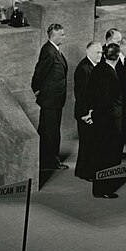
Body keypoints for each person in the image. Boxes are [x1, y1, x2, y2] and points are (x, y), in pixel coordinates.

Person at [86, 43, 123, 198]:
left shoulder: (97, 69)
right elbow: (106, 100)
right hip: (109, 122)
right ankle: (105, 189)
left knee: (100, 154)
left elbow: (90, 93)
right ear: (118, 56)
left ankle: (100, 188)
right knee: (109, 156)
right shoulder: (110, 74)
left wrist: (91, 113)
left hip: (99, 119)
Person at [32, 24, 69, 171]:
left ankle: (46, 160)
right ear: (53, 36)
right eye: (61, 35)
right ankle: (51, 162)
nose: (64, 37)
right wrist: (37, 89)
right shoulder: (48, 51)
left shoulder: (54, 50)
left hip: (55, 98)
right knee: (50, 132)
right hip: (50, 100)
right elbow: (39, 72)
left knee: (50, 130)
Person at [74, 41, 102, 181]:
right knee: (87, 144)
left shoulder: (94, 66)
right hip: (85, 113)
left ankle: (83, 171)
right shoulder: (83, 69)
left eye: (101, 52)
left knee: (90, 143)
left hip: (91, 112)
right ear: (88, 52)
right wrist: (87, 114)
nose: (100, 55)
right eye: (97, 52)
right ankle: (86, 173)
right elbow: (81, 95)